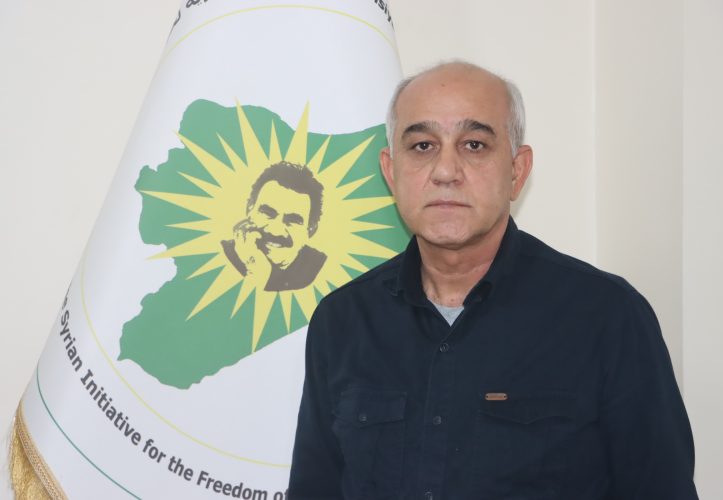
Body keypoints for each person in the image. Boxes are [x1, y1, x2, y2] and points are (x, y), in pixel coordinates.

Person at [289, 61, 698, 499]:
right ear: (391, 172)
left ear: (517, 170)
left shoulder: (607, 317)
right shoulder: (343, 320)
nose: (446, 171)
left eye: (474, 145)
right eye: (423, 146)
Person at [222, 161, 326, 291]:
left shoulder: (319, 268)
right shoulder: (225, 254)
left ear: (311, 230)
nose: (276, 231)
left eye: (292, 221)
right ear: (249, 209)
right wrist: (254, 265)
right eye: (267, 213)